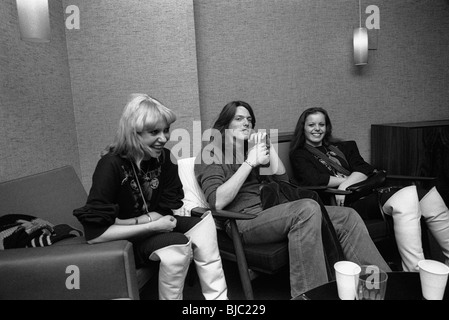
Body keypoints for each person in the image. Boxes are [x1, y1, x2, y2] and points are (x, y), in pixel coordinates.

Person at [194, 101, 391, 298]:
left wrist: (267, 148)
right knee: (307, 209)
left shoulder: (250, 149)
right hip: (244, 220)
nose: (246, 123)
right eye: (239, 118)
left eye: (249, 119)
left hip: (274, 210)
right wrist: (249, 163)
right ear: (224, 125)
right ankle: (311, 295)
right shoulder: (211, 152)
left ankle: (378, 290)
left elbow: (283, 180)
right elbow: (218, 202)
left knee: (347, 216)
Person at [73, 93, 227, 300]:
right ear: (133, 133)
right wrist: (150, 224)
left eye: (166, 130)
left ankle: (219, 300)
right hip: (123, 243)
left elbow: (163, 210)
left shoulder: (163, 158)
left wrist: (141, 220)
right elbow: (95, 235)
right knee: (177, 243)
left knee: (204, 224)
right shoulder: (110, 165)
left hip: (147, 229)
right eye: (154, 132)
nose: (163, 138)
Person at [289, 107, 449, 271]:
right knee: (408, 197)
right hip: (349, 202)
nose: (317, 129)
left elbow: (365, 168)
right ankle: (414, 272)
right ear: (303, 128)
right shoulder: (300, 154)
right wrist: (349, 182)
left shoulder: (343, 147)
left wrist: (344, 183)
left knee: (430, 196)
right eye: (311, 125)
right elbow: (314, 179)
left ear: (327, 127)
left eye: (321, 124)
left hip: (368, 192)